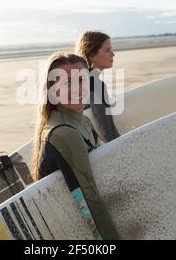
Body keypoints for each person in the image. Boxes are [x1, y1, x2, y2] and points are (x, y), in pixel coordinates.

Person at [30, 51, 120, 240]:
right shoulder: (65, 133)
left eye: (82, 80)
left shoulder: (82, 122)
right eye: (68, 82)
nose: (79, 89)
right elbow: (90, 201)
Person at [75, 31, 120, 143]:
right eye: (107, 50)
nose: (112, 54)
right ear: (92, 55)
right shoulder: (95, 84)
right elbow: (106, 131)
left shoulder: (80, 81)